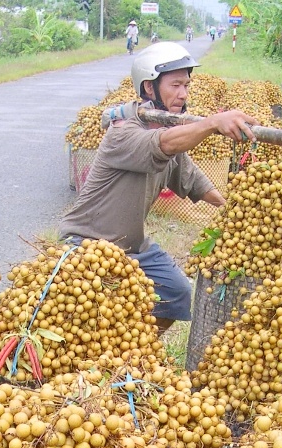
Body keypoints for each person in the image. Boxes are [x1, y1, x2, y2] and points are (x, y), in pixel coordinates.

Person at [60, 42, 259, 332]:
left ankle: (137, 351)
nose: (183, 94)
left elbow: (193, 180)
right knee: (94, 319)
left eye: (187, 86)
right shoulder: (122, 132)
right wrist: (212, 123)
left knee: (177, 292)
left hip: (133, 246)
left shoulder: (168, 135)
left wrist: (233, 209)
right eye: (175, 85)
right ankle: (116, 354)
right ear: (149, 88)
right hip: (87, 242)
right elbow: (162, 146)